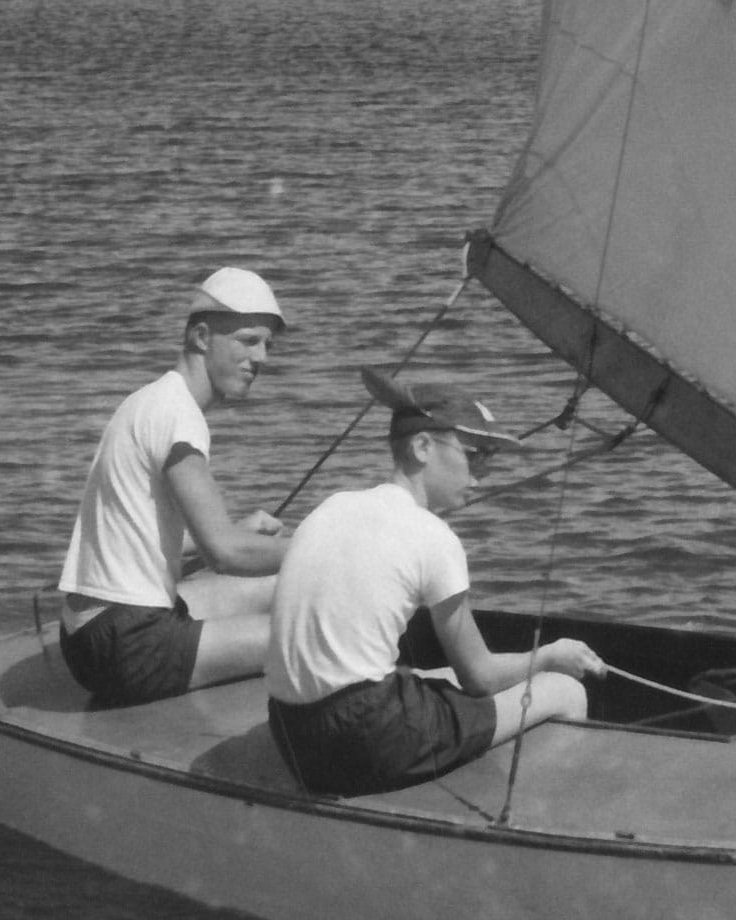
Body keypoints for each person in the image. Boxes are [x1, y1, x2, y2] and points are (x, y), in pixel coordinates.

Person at [263, 373, 603, 797]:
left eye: (490, 459)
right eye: (476, 455)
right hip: (371, 740)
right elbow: (479, 676)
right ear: (422, 446)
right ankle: (546, 824)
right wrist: (551, 655)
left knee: (430, 675)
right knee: (564, 690)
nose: (481, 474)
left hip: (293, 736)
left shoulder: (332, 507)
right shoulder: (432, 535)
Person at [56, 266, 293, 708]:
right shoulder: (180, 417)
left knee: (281, 588)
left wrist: (239, 528)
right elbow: (227, 554)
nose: (261, 357)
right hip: (128, 647)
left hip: (86, 633)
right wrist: (329, 548)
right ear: (202, 338)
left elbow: (140, 540)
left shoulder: (150, 400)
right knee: (311, 631)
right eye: (247, 340)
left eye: (267, 345)